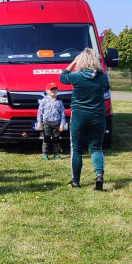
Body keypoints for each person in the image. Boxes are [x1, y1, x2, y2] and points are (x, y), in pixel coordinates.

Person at [59, 48, 110, 190]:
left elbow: (62, 77)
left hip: (79, 115)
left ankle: (75, 181)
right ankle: (99, 176)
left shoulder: (76, 76)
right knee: (95, 148)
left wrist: (73, 62)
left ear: (81, 61)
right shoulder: (102, 77)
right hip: (98, 116)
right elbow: (106, 88)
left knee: (76, 149)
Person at [36, 82, 66, 159]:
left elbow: (62, 113)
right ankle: (45, 154)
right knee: (46, 138)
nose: (53, 91)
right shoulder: (43, 101)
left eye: (55, 89)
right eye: (51, 89)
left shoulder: (59, 101)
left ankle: (56, 154)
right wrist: (39, 123)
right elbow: (40, 113)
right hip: (46, 123)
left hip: (57, 123)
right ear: (47, 91)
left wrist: (62, 124)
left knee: (56, 139)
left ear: (57, 91)